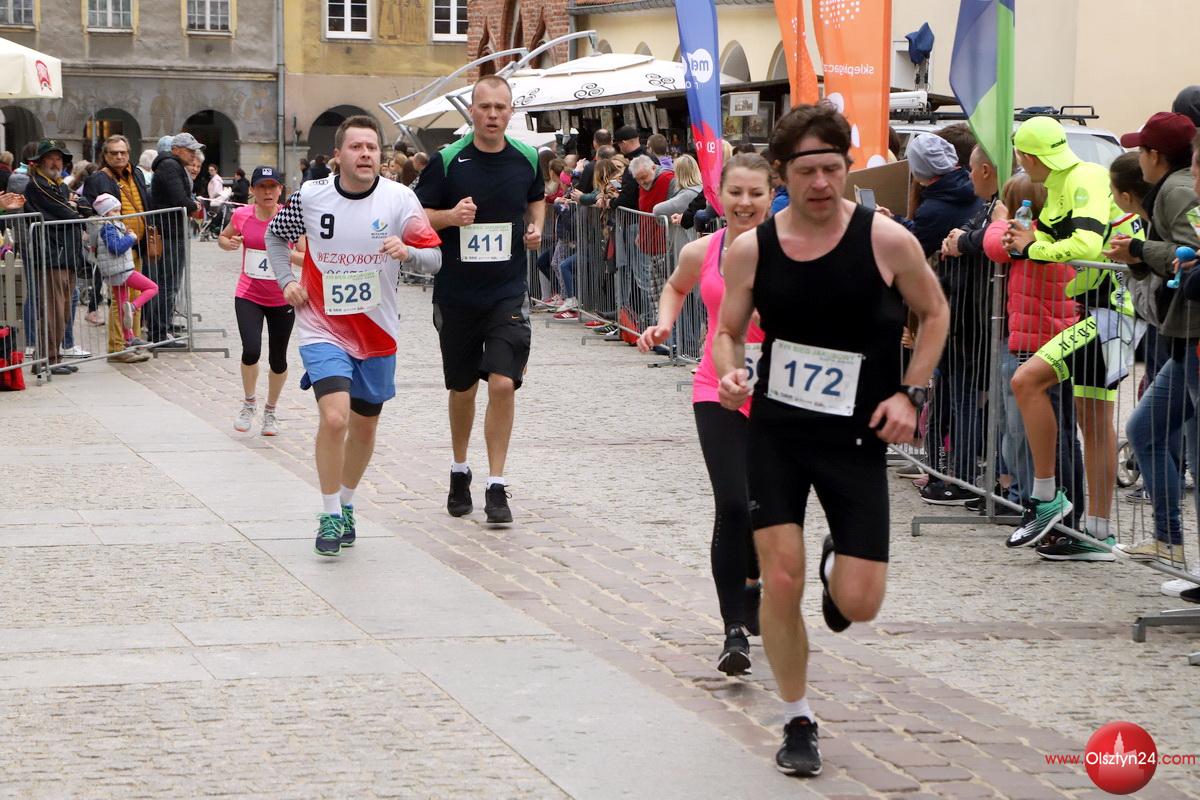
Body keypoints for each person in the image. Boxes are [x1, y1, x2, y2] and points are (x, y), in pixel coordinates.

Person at [712, 104, 948, 778]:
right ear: (782, 173)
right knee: (778, 577)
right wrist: (731, 371)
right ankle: (798, 718)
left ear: (848, 168)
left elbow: (934, 312)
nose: (821, 183)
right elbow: (729, 329)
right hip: (778, 433)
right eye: (807, 171)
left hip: (856, 438)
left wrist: (911, 393)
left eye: (833, 169)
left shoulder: (886, 240)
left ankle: (833, 568)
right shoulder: (754, 248)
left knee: (859, 603)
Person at [265, 116, 442, 556]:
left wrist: (409, 252)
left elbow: (435, 258)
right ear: (338, 156)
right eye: (356, 147)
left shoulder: (400, 199)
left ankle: (345, 503)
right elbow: (274, 237)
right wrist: (286, 281)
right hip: (321, 325)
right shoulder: (311, 196)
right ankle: (328, 513)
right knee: (335, 418)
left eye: (372, 147)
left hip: (378, 330)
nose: (365, 154)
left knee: (364, 426)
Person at [637, 152, 772, 676]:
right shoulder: (703, 250)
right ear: (720, 194)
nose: (745, 203)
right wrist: (665, 323)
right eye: (735, 192)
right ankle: (733, 629)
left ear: (771, 196)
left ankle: (754, 581)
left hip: (777, 394)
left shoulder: (792, 252)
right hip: (717, 388)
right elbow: (676, 285)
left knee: (765, 509)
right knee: (733, 504)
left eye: (755, 193)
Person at [1003, 116, 1141, 555]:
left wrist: (1032, 247)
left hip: (1114, 311)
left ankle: (1046, 497)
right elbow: (1060, 237)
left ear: (1026, 157)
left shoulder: (1082, 177)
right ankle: (1096, 534)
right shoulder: (1063, 180)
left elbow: (1084, 245)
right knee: (1094, 421)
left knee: (1026, 381)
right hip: (1106, 309)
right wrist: (1029, 240)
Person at [415, 74, 544, 525]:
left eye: (500, 107)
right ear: (472, 110)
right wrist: (450, 217)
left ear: (511, 112)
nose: (492, 115)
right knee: (463, 388)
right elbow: (417, 217)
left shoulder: (527, 157)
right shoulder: (448, 161)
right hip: (458, 294)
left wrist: (536, 227)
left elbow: (537, 199)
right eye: (485, 107)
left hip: (507, 292)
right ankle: (459, 469)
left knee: (503, 383)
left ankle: (496, 484)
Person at [1106, 112, 1200, 566]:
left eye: (1140, 149)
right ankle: (1168, 540)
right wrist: (1139, 257)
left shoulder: (1177, 190)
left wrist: (1140, 250)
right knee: (1144, 430)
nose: (1137, 157)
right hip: (1181, 337)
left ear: (1154, 155)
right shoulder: (1171, 188)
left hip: (1194, 336)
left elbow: (1193, 255)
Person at [218, 166, 296, 436]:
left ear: (280, 190)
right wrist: (227, 243)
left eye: (272, 186)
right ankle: (249, 403)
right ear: (252, 190)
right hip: (248, 294)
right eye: (261, 186)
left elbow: (306, 256)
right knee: (251, 350)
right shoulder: (242, 215)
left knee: (278, 359)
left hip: (282, 296)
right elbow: (224, 236)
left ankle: (270, 411)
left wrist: (282, 252)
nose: (267, 192)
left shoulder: (290, 218)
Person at [83, 134, 154, 363]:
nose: (119, 156)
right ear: (105, 155)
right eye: (114, 153)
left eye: (123, 152)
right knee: (120, 302)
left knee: (134, 299)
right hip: (117, 248)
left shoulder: (137, 173)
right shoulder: (97, 179)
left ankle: (131, 342)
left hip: (136, 244)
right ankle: (118, 348)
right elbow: (89, 212)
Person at [22, 138, 86, 376]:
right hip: (51, 255)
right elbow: (67, 212)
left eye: (59, 158)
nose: (55, 162)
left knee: (64, 311)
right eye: (50, 158)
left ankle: (55, 357)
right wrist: (74, 208)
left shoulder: (59, 185)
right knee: (52, 311)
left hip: (65, 254)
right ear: (39, 161)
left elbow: (83, 206)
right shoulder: (36, 185)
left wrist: (76, 207)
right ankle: (46, 359)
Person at [147, 132, 202, 348]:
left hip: (172, 232)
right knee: (167, 285)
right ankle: (159, 333)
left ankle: (163, 328)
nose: (193, 154)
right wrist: (194, 205)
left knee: (169, 284)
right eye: (190, 150)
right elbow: (180, 200)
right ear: (176, 149)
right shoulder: (170, 166)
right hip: (169, 233)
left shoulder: (171, 165)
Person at [89, 193, 159, 349]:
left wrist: (126, 235)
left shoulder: (110, 226)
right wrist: (131, 238)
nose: (118, 213)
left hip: (114, 272)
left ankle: (129, 338)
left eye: (119, 210)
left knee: (122, 305)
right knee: (152, 287)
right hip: (121, 270)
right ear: (105, 213)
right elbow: (116, 248)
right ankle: (133, 307)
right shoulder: (108, 228)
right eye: (114, 211)